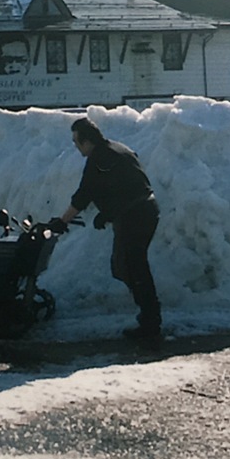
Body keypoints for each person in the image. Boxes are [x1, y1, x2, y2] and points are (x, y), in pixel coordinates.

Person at [49, 117, 161, 347]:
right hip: (143, 210)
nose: (75, 147)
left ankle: (150, 322)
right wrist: (108, 213)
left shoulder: (99, 158)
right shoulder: (116, 149)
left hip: (136, 215)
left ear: (87, 141)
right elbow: (122, 184)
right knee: (127, 265)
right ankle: (149, 315)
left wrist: (62, 222)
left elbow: (84, 194)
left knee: (132, 266)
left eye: (76, 142)